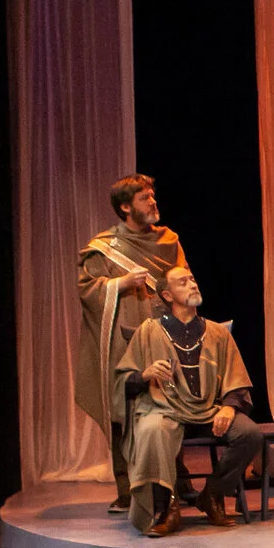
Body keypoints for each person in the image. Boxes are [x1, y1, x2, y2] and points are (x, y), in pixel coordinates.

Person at [110, 265, 263, 538]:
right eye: (183, 282)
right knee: (151, 429)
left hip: (209, 410)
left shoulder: (217, 332)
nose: (193, 284)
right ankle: (167, 507)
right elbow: (124, 380)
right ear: (167, 295)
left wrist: (229, 407)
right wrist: (145, 375)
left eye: (192, 279)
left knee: (249, 434)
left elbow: (237, 379)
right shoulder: (148, 331)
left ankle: (212, 494)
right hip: (164, 408)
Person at [77, 173, 188, 513]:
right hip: (121, 341)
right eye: (144, 198)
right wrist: (121, 283)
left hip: (162, 334)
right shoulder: (103, 247)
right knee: (123, 407)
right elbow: (87, 290)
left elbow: (183, 281)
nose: (153, 202)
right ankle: (126, 488)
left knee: (170, 399)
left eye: (152, 195)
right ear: (125, 207)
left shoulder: (169, 241)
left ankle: (177, 481)